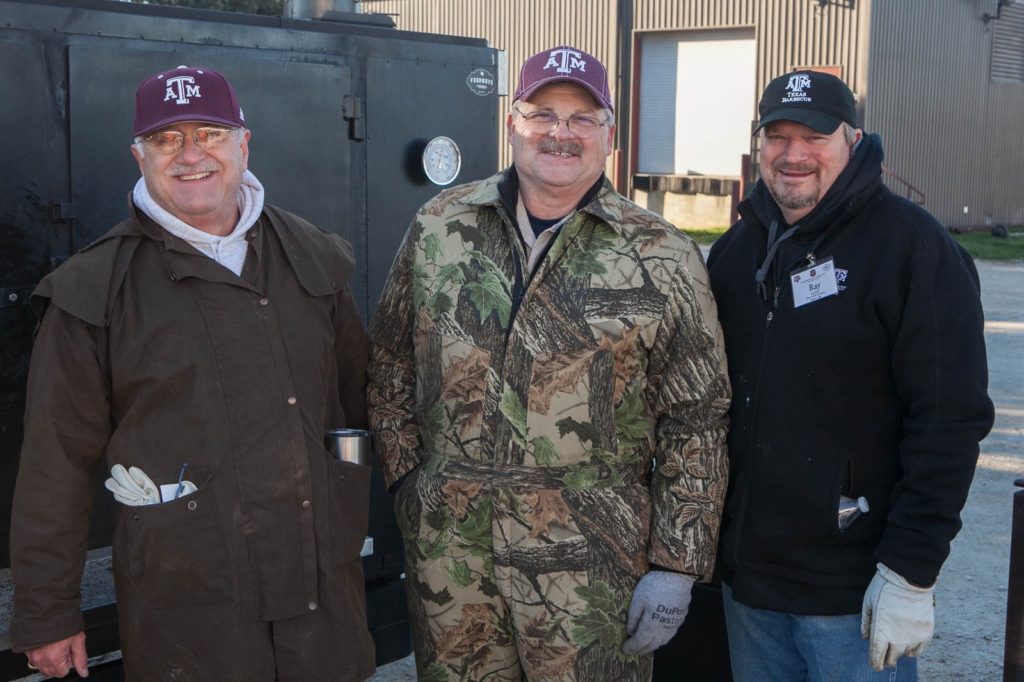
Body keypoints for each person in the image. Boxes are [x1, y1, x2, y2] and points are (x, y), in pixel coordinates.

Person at [367, 45, 730, 681]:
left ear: (609, 135)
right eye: (543, 114)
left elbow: (697, 416)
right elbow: (391, 359)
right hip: (453, 561)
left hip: (590, 566)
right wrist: (410, 486)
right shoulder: (441, 225)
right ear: (513, 122)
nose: (561, 133)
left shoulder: (661, 254)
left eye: (583, 118)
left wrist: (677, 563)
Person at [9, 65, 375, 680]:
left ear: (243, 143)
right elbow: (55, 463)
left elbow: (361, 400)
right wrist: (47, 612)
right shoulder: (94, 292)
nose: (190, 155)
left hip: (320, 593)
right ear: (138, 155)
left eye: (209, 133)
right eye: (166, 139)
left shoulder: (311, 255)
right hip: (192, 612)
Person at [707, 70, 995, 680]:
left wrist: (911, 573)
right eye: (777, 136)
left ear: (854, 140)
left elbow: (949, 420)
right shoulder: (737, 253)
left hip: (852, 598)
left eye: (814, 136)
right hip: (749, 591)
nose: (793, 155)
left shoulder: (913, 249)